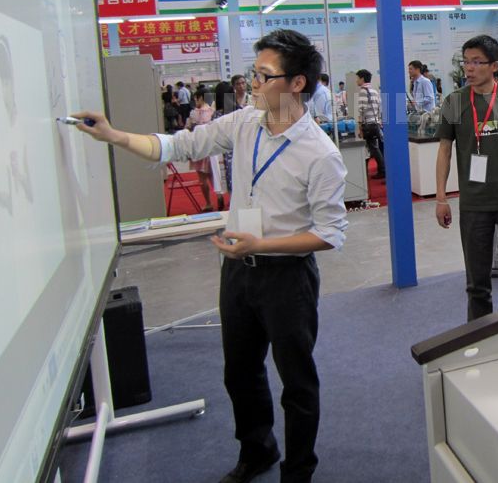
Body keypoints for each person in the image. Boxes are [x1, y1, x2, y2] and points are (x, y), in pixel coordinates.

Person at [73, 29, 347, 483]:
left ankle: (298, 471)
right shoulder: (244, 123)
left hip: (287, 278)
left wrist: (261, 245)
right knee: (239, 372)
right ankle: (257, 451)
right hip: (238, 272)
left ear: (297, 83)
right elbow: (179, 146)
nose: (252, 83)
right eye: (253, 73)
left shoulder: (321, 154)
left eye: (263, 76)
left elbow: (329, 234)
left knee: (297, 381)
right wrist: (112, 135)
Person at [435, 35, 498, 320]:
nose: (469, 68)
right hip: (474, 203)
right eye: (466, 62)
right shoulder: (455, 101)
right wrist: (441, 198)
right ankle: (479, 335)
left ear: (494, 65)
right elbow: (444, 151)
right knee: (477, 283)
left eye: (477, 62)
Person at [185, 88, 218, 211]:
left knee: (202, 178)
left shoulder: (194, 113)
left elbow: (188, 129)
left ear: (200, 98)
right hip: (212, 147)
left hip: (198, 149)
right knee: (215, 175)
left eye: (196, 98)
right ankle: (220, 196)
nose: (195, 101)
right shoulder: (212, 112)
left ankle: (209, 203)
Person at [355, 69, 386, 180]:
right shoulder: (374, 91)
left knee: (373, 149)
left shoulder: (363, 91)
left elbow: (361, 110)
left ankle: (382, 170)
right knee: (375, 148)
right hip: (375, 123)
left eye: (357, 78)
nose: (356, 81)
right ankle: (382, 170)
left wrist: (360, 127)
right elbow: (379, 108)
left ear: (362, 79)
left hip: (368, 124)